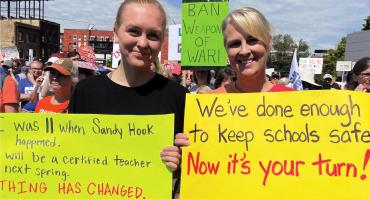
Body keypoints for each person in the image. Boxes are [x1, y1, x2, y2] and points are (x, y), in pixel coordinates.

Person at [68, 0, 186, 195]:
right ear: (116, 32)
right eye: (134, 31)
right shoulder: (85, 92)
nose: (142, 42)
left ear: (162, 41)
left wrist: (180, 160)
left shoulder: (178, 96)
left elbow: (191, 176)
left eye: (153, 35)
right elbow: (71, 158)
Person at [208, 7, 295, 94]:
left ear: (268, 43)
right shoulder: (209, 102)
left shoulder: (295, 100)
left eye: (252, 40)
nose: (244, 51)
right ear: (226, 49)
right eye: (235, 43)